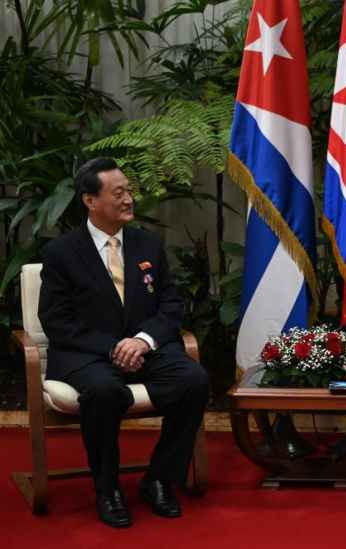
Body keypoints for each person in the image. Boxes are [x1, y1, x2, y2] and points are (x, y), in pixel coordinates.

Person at [38, 157, 209, 528]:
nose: (130, 199)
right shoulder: (62, 253)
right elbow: (56, 320)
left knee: (193, 380)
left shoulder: (148, 244)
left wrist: (144, 341)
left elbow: (170, 305)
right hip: (89, 354)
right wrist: (114, 348)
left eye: (130, 191)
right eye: (119, 193)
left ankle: (159, 479)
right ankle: (108, 488)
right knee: (103, 391)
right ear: (90, 200)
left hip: (146, 348)